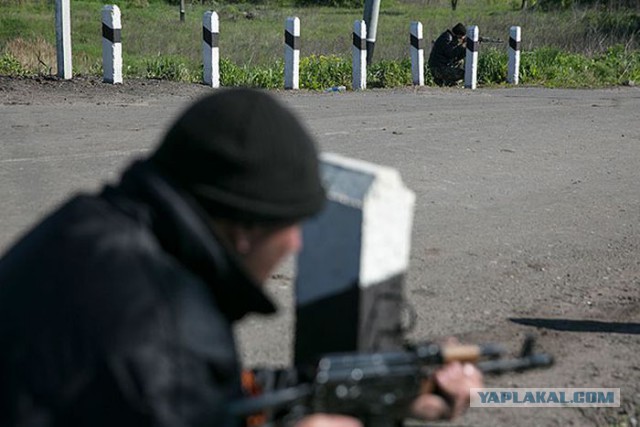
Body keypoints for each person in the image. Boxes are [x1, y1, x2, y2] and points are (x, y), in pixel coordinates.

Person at [0, 88, 482, 427]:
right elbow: (174, 389)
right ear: (245, 229)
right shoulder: (167, 353)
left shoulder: (88, 223)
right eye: (290, 225)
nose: (296, 244)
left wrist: (377, 390)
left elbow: (212, 397)